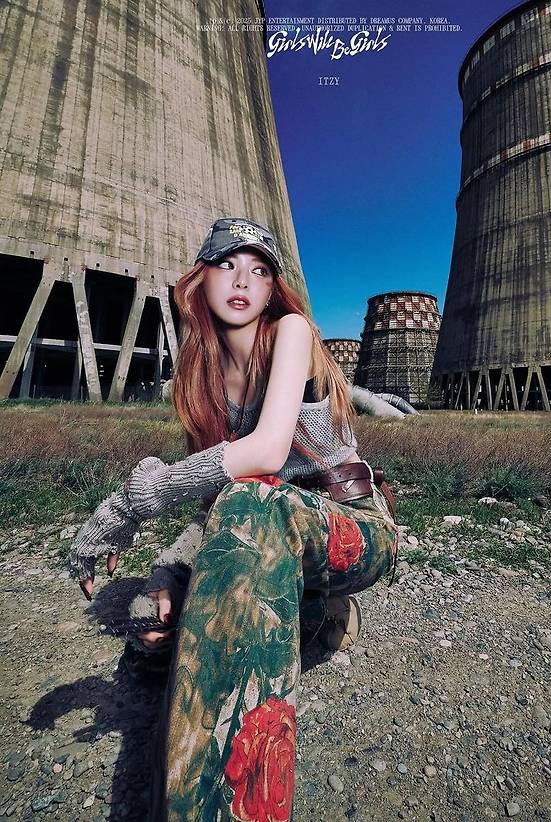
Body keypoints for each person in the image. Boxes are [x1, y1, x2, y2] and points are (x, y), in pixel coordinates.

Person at [68, 216, 399, 822]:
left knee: (251, 507)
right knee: (158, 621)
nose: (243, 280)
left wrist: (134, 500)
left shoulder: (291, 333)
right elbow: (213, 505)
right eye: (227, 264)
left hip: (349, 528)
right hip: (265, 527)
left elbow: (266, 455)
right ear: (201, 279)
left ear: (273, 289)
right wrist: (168, 578)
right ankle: (313, 612)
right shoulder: (201, 381)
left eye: (259, 270)